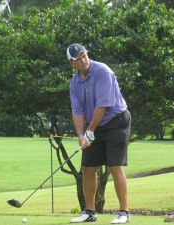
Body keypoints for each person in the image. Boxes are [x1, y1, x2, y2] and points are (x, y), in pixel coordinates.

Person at [67, 43, 131, 224]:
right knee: (88, 168)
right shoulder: (74, 82)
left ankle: (124, 213)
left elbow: (102, 106)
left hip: (116, 121)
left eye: (85, 56)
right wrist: (81, 134)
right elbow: (77, 110)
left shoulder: (103, 72)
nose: (84, 60)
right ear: (72, 63)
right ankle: (89, 212)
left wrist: (89, 131)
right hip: (94, 125)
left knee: (114, 165)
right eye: (78, 59)